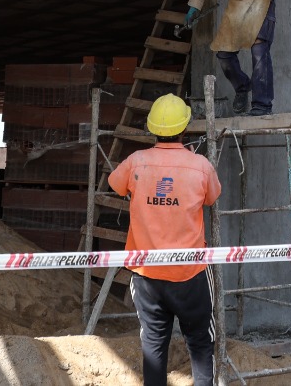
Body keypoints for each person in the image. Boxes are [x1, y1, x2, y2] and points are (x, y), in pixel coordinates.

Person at [108, 94, 222, 386]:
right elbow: (212, 197)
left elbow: (114, 184)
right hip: (190, 274)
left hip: (146, 275)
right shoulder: (201, 166)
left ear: (152, 128)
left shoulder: (137, 162)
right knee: (200, 342)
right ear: (185, 128)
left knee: (154, 344)